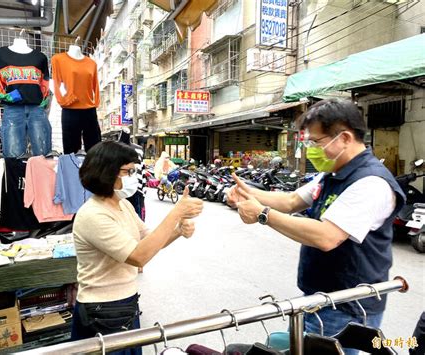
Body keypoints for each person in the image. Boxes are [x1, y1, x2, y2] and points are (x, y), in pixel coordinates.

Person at [227, 99, 405, 355]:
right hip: (317, 299)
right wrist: (248, 193)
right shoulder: (334, 173)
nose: (311, 149)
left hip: (347, 307)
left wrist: (263, 214)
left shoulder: (371, 183)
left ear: (344, 138)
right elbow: (291, 201)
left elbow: (327, 236)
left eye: (315, 142)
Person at [71, 141, 203, 354]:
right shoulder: (92, 214)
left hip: (126, 302)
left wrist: (178, 231)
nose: (134, 176)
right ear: (106, 171)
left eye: (134, 170)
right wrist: (176, 213)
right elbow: (138, 256)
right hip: (102, 310)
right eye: (128, 171)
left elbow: (149, 240)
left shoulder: (123, 205)